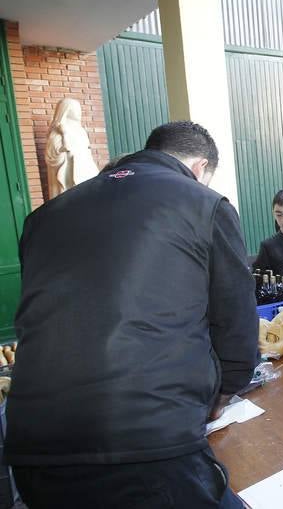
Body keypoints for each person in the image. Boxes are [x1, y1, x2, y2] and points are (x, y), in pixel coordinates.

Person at [6, 121, 258, 508]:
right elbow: (236, 321)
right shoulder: (203, 203)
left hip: (33, 447)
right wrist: (225, 390)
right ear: (198, 168)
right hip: (146, 444)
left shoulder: (43, 217)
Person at [45, 97, 99, 198]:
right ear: (67, 110)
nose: (79, 112)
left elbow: (87, 152)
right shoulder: (59, 129)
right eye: (76, 109)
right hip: (68, 176)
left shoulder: (81, 130)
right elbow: (52, 155)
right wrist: (64, 134)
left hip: (84, 172)